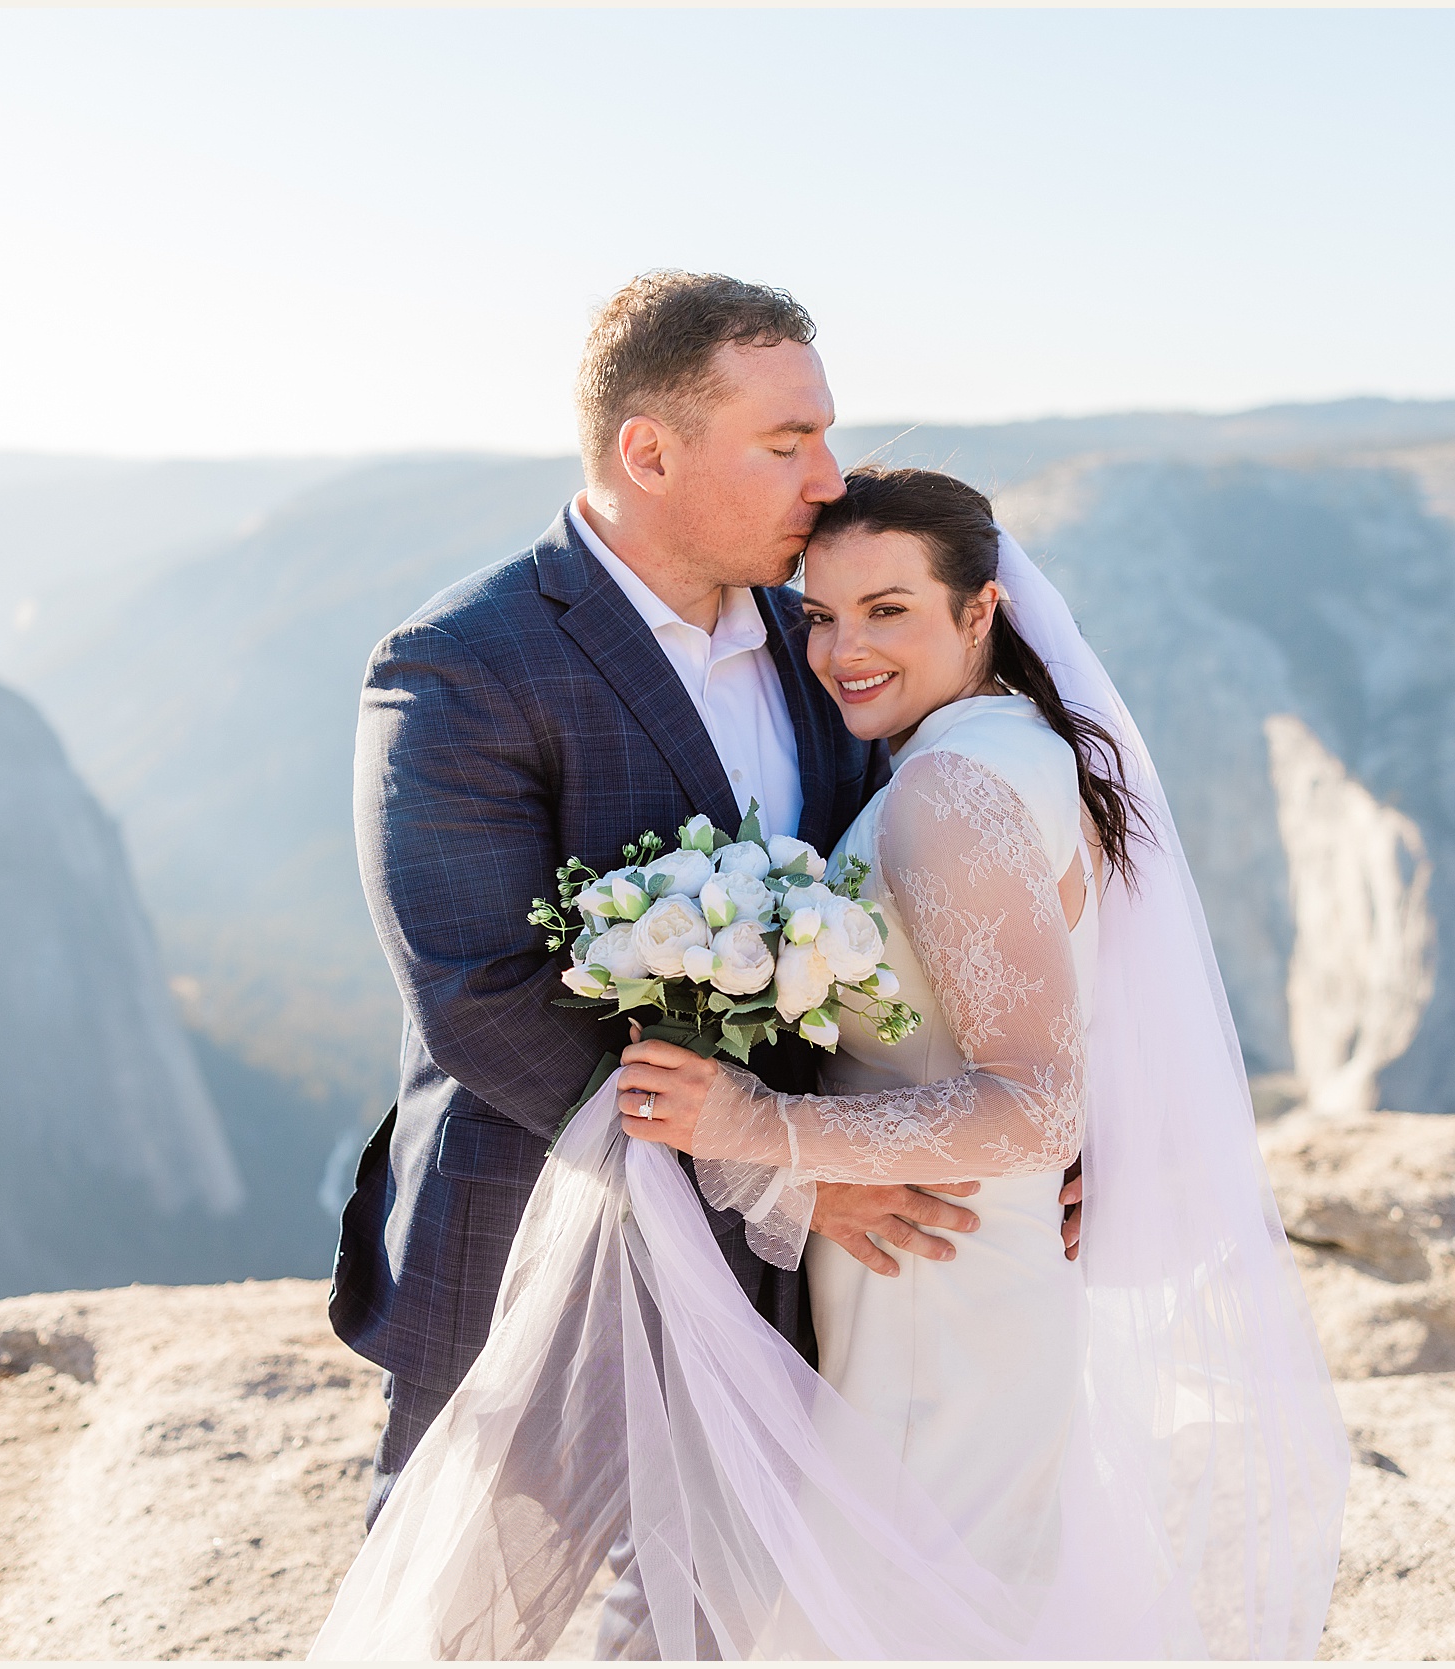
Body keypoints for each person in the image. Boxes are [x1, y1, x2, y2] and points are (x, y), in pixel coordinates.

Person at [315, 463, 1349, 1659]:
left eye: (889, 609)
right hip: (934, 1256)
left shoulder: (951, 789)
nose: (841, 647)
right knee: (936, 1593)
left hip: (933, 1271)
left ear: (982, 613)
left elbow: (1031, 1099)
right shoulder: (996, 745)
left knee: (896, 1609)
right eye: (821, 613)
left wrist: (765, 1135)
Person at [328, 272, 991, 1546]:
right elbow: (484, 997)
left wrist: (1028, 1131)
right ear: (649, 451)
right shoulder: (463, 663)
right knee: (463, 1611)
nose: (830, 479)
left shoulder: (828, 632)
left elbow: (937, 894)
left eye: (824, 433)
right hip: (542, 1241)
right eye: (787, 441)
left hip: (807, 1279)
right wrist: (775, 1173)